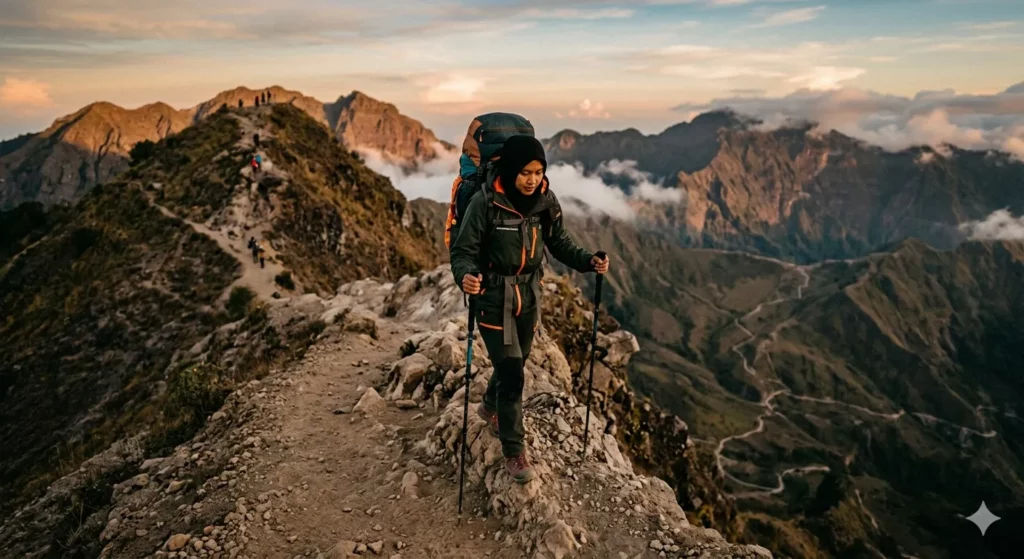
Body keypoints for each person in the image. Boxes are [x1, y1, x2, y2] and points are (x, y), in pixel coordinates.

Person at [449, 134, 610, 484]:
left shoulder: (545, 202)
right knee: (512, 372)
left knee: (518, 360)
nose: (532, 179)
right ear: (510, 170)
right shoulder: (486, 203)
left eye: (538, 172)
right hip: (493, 296)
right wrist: (466, 277)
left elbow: (559, 242)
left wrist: (588, 261)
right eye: (525, 172)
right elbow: (462, 251)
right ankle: (513, 450)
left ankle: (490, 407)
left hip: (529, 295)